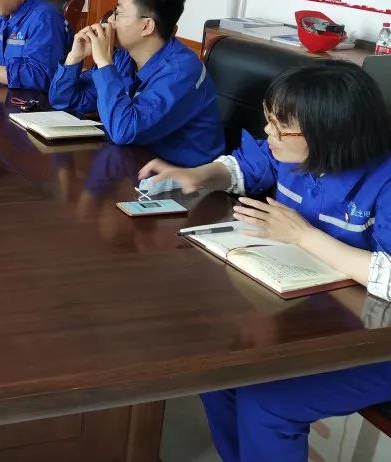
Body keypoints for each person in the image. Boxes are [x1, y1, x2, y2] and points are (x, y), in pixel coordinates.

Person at [139, 60, 391, 462]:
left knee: (268, 402)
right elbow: (244, 166)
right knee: (214, 371)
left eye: (280, 126)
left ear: (329, 133)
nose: (268, 132)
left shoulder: (384, 180)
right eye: (268, 119)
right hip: (313, 313)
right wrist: (198, 175)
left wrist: (304, 236)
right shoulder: (291, 151)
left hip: (375, 343)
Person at [49, 0, 224, 166]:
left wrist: (104, 63)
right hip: (135, 162)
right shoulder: (125, 56)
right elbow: (64, 101)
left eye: (118, 13)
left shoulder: (181, 72)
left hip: (181, 176)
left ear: (147, 26)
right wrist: (74, 58)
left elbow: (124, 131)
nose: (109, 21)